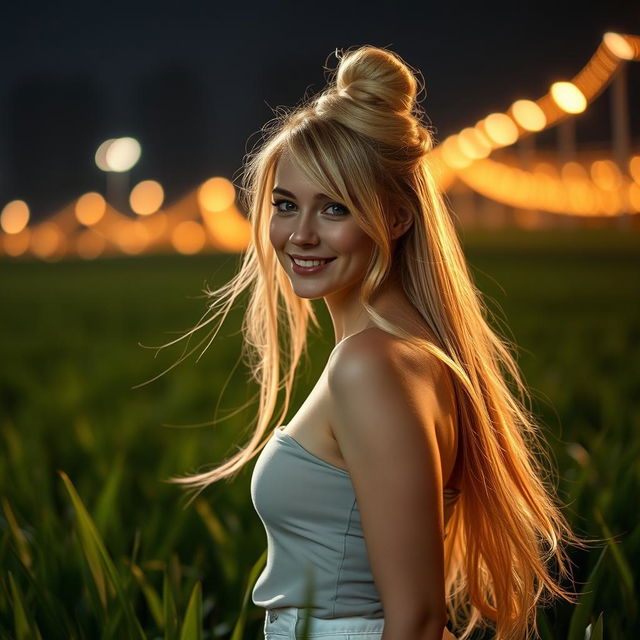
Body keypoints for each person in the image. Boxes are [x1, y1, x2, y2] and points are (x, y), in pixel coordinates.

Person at [163, 45, 589, 640]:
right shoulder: (403, 351)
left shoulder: (372, 364)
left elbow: (415, 618)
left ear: (394, 217)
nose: (301, 235)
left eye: (335, 207)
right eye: (286, 205)